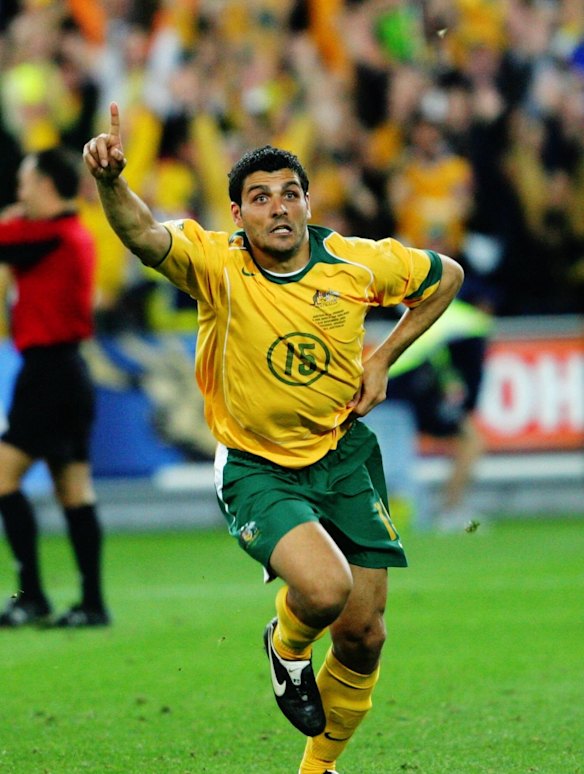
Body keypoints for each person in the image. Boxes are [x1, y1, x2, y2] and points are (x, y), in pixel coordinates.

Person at [83, 103, 463, 773]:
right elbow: (143, 234)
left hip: (343, 454)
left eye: (291, 194)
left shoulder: (351, 262)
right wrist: (112, 182)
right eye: (260, 199)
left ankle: (317, 770)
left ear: (309, 203)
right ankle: (286, 648)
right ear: (238, 216)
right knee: (323, 591)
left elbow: (446, 278)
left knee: (365, 635)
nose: (279, 208)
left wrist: (382, 359)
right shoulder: (217, 265)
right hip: (257, 464)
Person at [0, 147, 110, 628]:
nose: (19, 194)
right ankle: (91, 603)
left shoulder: (52, 235)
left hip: (48, 374)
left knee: (3, 479)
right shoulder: (69, 234)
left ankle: (33, 596)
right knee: (74, 491)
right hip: (69, 373)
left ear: (45, 185)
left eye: (25, 183)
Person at [364, 294, 494, 532]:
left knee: (394, 462)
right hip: (395, 392)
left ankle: (446, 510)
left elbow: (434, 356)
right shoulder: (469, 321)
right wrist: (459, 405)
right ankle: (447, 510)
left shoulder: (441, 311)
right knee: (397, 468)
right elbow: (459, 368)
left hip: (389, 388)